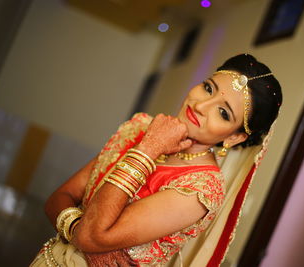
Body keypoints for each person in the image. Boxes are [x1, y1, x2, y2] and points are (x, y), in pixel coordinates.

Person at [30, 53, 282, 267]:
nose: (202, 106)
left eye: (223, 112)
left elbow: (91, 236)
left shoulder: (200, 188)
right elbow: (58, 198)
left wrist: (148, 150)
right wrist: (80, 232)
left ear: (235, 137)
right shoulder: (141, 127)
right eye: (208, 88)